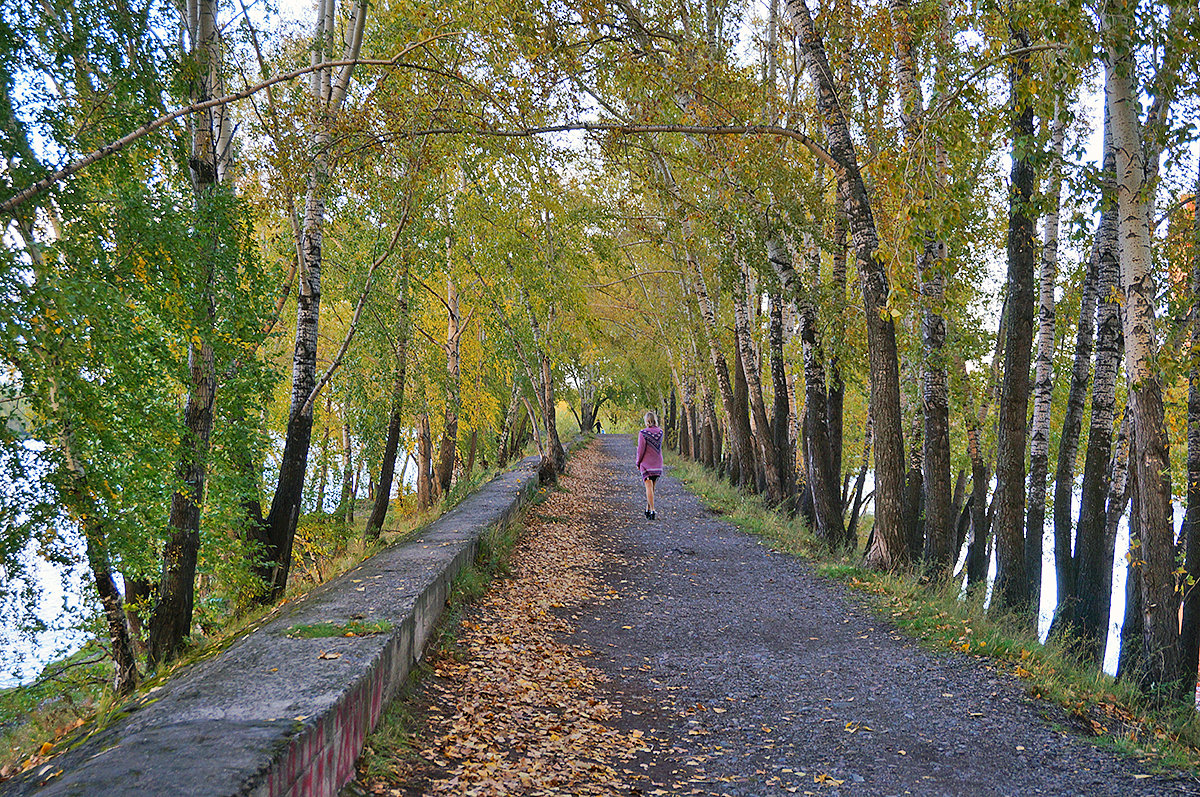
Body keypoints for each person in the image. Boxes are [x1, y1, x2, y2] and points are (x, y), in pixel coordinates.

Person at [636, 411, 663, 519]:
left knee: (648, 487)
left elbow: (640, 450)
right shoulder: (660, 432)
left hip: (646, 464)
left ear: (647, 421)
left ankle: (652, 510)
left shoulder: (643, 433)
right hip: (657, 463)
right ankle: (647, 509)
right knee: (652, 488)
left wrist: (638, 462)